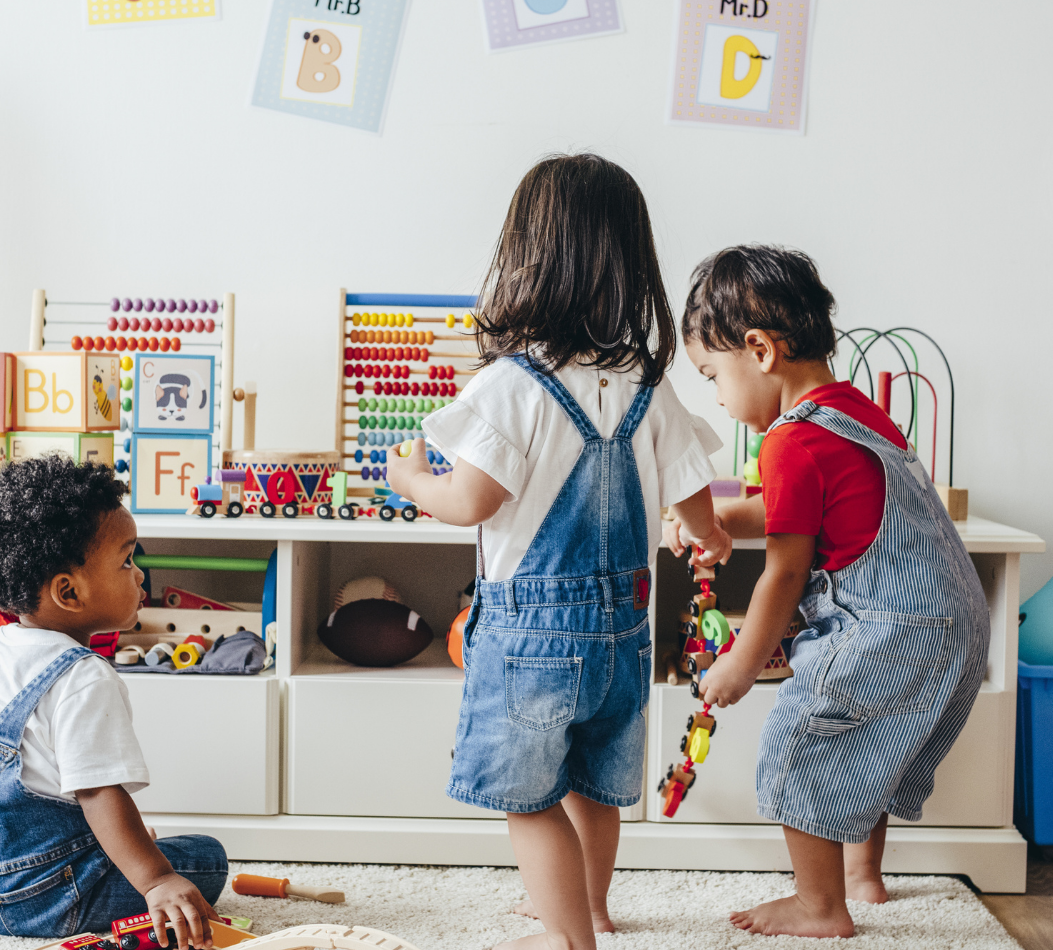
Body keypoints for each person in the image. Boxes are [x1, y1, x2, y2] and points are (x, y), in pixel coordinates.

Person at [388, 153, 731, 950]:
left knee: (529, 799)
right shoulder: (649, 383)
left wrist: (411, 478)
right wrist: (703, 537)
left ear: (529, 260)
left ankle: (572, 940)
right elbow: (696, 503)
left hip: (533, 637)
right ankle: (595, 909)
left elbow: (468, 501)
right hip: (624, 633)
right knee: (593, 787)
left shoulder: (514, 382)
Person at [672, 245, 988, 938]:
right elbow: (804, 507)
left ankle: (819, 907)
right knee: (865, 744)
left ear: (758, 351)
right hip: (953, 620)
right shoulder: (854, 413)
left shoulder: (786, 443)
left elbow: (785, 569)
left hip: (892, 623)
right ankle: (861, 876)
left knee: (801, 741)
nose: (719, 400)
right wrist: (723, 516)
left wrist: (743, 661)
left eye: (712, 377)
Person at [0, 456, 227, 944]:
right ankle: (139, 871)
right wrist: (156, 879)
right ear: (68, 591)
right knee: (205, 859)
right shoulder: (84, 678)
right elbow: (99, 794)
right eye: (126, 560)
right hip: (46, 900)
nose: (139, 576)